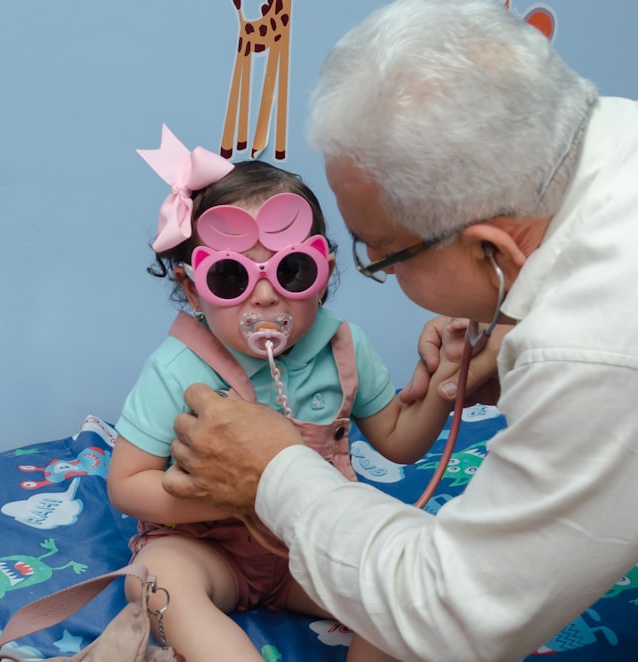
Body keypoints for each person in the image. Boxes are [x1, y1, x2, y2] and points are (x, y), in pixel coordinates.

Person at [160, 0, 638, 660]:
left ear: (494, 251)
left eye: (380, 256)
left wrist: (274, 471)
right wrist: (530, 332)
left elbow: (450, 613)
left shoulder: (608, 347)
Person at [106, 124, 457, 662]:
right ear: (192, 289)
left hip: (308, 549)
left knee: (404, 579)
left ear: (324, 273)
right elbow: (127, 486)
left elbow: (400, 442)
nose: (267, 295)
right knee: (157, 580)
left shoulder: (343, 346)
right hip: (207, 549)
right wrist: (228, 492)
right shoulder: (178, 367)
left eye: (291, 270)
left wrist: (443, 384)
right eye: (232, 278)